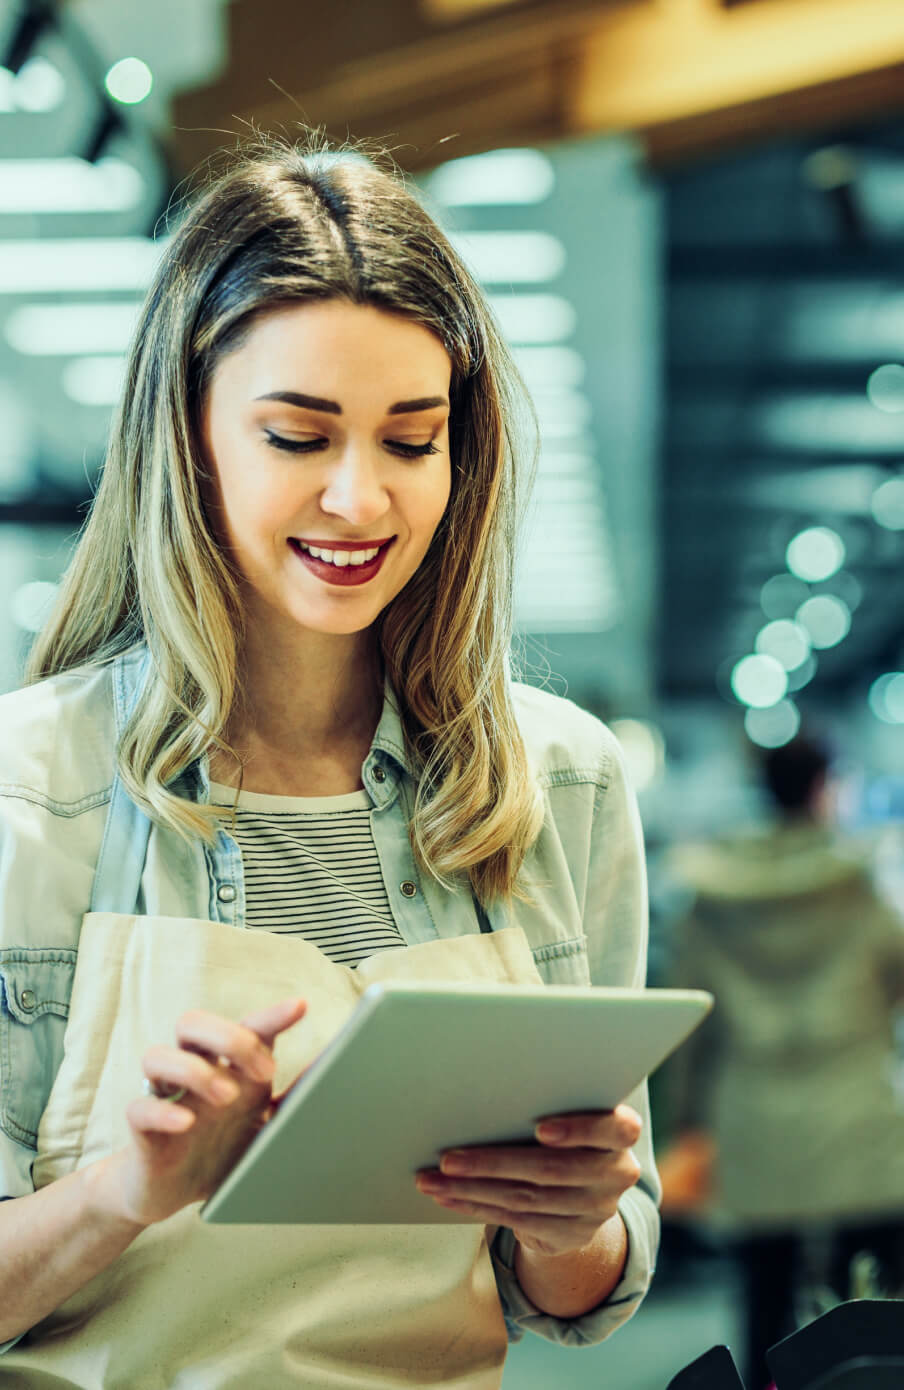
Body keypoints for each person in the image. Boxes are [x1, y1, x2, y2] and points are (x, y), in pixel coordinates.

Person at [0, 137, 660, 1389]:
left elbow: (569, 1295)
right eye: (298, 436)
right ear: (186, 439)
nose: (359, 500)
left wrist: (568, 1220)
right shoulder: (28, 793)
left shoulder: (553, 781)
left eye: (411, 442)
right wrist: (122, 1193)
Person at [663, 733, 904, 1390]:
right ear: (825, 786)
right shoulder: (866, 879)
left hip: (755, 1114)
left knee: (764, 1290)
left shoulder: (713, 894)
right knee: (867, 1295)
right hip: (859, 1109)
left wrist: (685, 1122)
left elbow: (689, 1019)